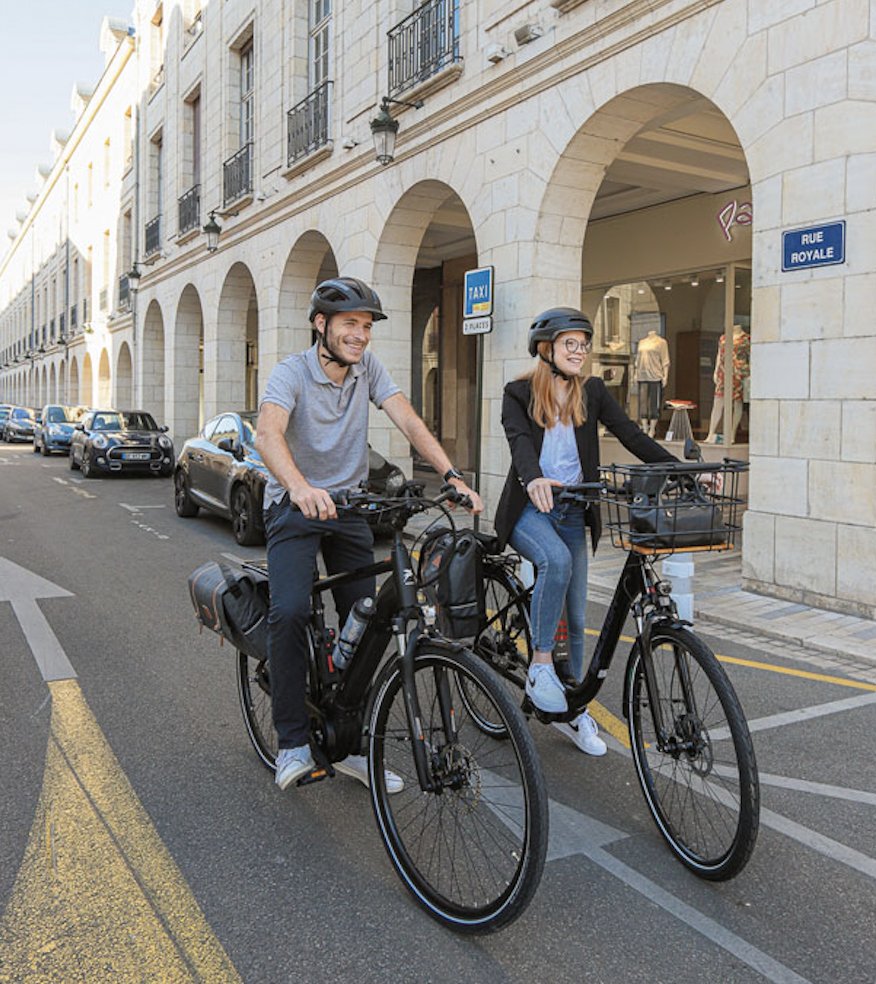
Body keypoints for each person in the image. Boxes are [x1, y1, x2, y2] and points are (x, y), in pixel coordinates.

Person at [256, 276, 482, 791]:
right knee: (289, 611)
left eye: (366, 326)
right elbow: (267, 433)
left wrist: (451, 476)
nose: (360, 335)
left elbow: (408, 421)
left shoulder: (367, 370)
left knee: (372, 618)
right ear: (321, 326)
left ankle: (353, 743)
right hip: (295, 504)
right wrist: (298, 486)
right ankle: (292, 742)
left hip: (350, 505)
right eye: (350, 325)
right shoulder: (291, 373)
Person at [494, 307, 676, 756]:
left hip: (573, 510)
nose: (579, 351)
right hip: (531, 508)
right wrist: (534, 476)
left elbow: (629, 433)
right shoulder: (517, 392)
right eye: (570, 344)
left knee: (577, 620)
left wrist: (682, 470)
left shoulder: (592, 391)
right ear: (546, 349)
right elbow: (519, 443)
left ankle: (574, 711)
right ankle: (539, 665)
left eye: (583, 344)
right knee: (553, 562)